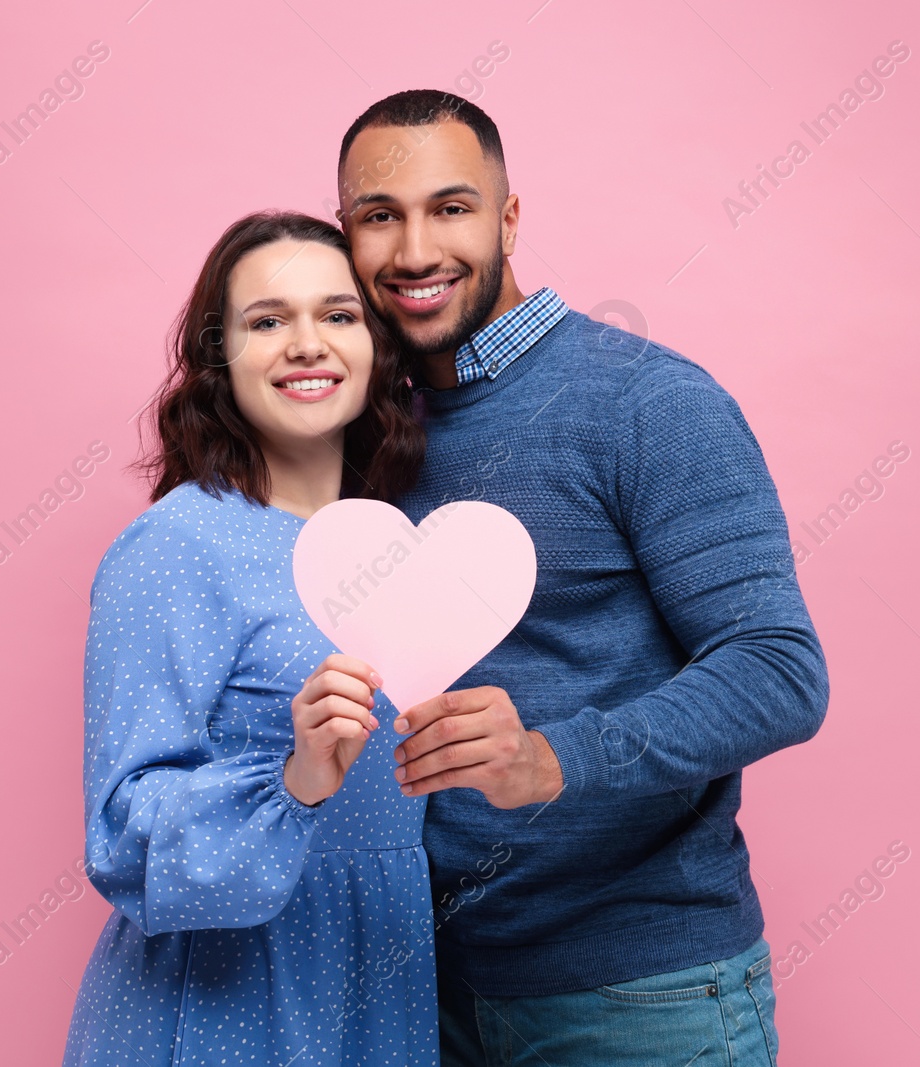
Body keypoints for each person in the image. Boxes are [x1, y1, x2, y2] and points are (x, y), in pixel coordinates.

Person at [335, 90, 830, 1065]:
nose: (414, 249)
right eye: (378, 217)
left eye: (450, 208)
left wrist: (552, 757)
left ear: (509, 218)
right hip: (430, 993)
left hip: (639, 998)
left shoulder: (648, 402)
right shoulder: (364, 432)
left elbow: (780, 669)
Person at [61, 211, 438, 1066]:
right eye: (268, 321)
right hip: (227, 1007)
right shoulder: (175, 548)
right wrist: (294, 781)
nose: (307, 343)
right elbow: (121, 835)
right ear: (220, 358)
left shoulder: (398, 544)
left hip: (382, 986)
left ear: (377, 345)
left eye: (338, 316)